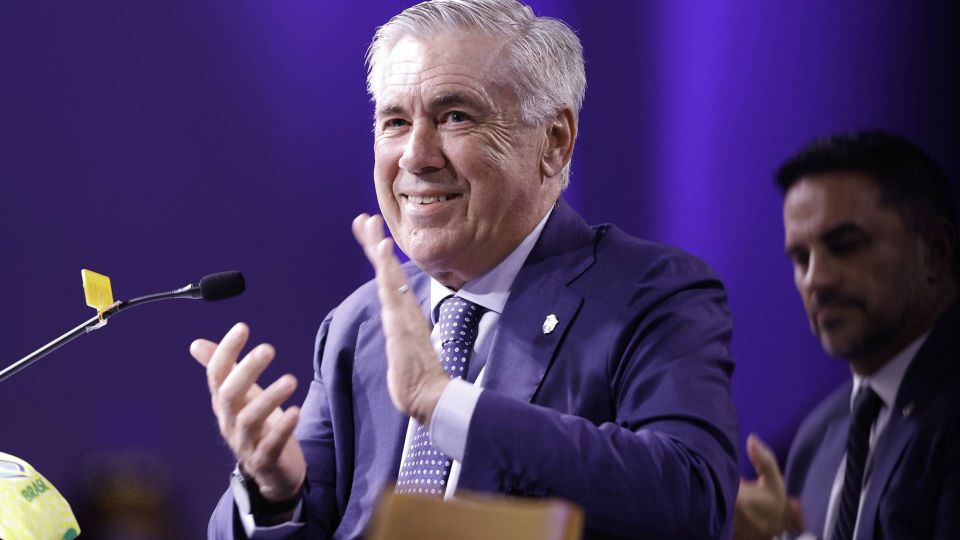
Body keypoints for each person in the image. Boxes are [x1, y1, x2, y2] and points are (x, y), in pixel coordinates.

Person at [191, 0, 739, 538]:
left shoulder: (650, 292)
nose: (416, 155)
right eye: (395, 122)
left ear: (554, 142)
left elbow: (692, 497)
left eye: (455, 116)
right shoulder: (358, 325)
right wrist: (273, 493)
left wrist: (445, 404)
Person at [735, 131, 960, 539]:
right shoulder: (818, 435)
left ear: (935, 251)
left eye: (845, 246)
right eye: (801, 258)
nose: (815, 279)